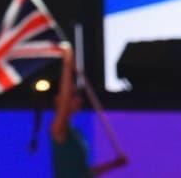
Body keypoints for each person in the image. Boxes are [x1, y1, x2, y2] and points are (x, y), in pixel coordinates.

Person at [50, 45, 128, 178]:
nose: (78, 99)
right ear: (58, 100)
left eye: (77, 95)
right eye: (72, 95)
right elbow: (64, 102)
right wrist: (67, 65)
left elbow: (84, 173)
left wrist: (113, 164)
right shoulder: (58, 129)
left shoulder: (76, 133)